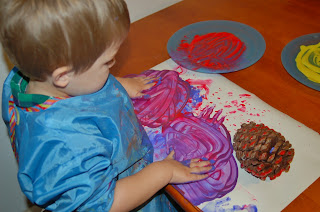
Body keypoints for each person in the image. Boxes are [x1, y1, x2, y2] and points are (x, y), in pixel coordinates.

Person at [0, 0, 214, 211]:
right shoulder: (66, 144)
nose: (113, 65)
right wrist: (162, 172)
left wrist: (118, 84)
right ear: (63, 75)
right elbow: (104, 204)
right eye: (107, 62)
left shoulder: (29, 79)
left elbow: (81, 79)